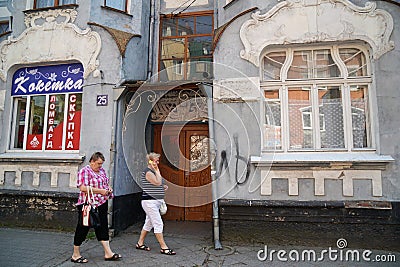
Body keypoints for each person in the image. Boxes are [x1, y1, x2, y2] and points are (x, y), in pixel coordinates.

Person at [71, 152, 122, 263]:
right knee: (83, 228)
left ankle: (108, 253)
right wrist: (100, 191)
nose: (100, 166)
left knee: (103, 227)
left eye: (101, 164)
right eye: (98, 163)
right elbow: (82, 188)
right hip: (88, 204)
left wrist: (108, 188)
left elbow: (105, 183)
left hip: (101, 203)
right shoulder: (85, 171)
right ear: (92, 161)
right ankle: (75, 254)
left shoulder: (102, 171)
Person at [136, 152, 176, 255]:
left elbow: (157, 183)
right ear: (150, 161)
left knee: (148, 223)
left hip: (155, 201)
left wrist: (162, 187)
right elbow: (157, 182)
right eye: (155, 160)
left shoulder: (153, 171)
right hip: (149, 202)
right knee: (158, 223)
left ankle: (140, 243)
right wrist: (157, 171)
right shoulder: (148, 172)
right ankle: (164, 247)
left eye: (158, 160)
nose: (157, 162)